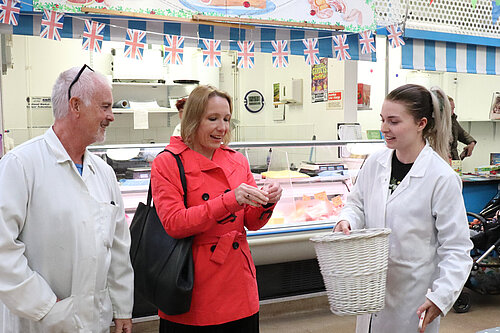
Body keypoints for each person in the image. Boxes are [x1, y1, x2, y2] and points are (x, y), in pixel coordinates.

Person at [0, 65, 134, 333]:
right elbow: (3, 249)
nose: (111, 116)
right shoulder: (20, 165)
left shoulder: (103, 173)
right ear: (76, 106)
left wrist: (122, 310)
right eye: (105, 107)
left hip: (94, 320)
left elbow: (118, 249)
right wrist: (47, 307)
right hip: (37, 321)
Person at [334, 84, 473, 333]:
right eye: (383, 120)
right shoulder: (376, 162)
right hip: (371, 289)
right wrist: (348, 221)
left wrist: (440, 297)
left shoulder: (441, 177)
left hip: (414, 298)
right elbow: (356, 204)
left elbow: (456, 248)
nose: (384, 129)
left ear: (421, 123)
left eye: (394, 121)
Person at [151, 85, 282, 332]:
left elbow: (252, 222)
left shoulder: (237, 160)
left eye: (226, 119)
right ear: (193, 119)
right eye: (212, 119)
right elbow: (175, 223)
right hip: (192, 289)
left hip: (239, 287)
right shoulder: (168, 162)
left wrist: (268, 201)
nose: (222, 127)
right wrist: (230, 200)